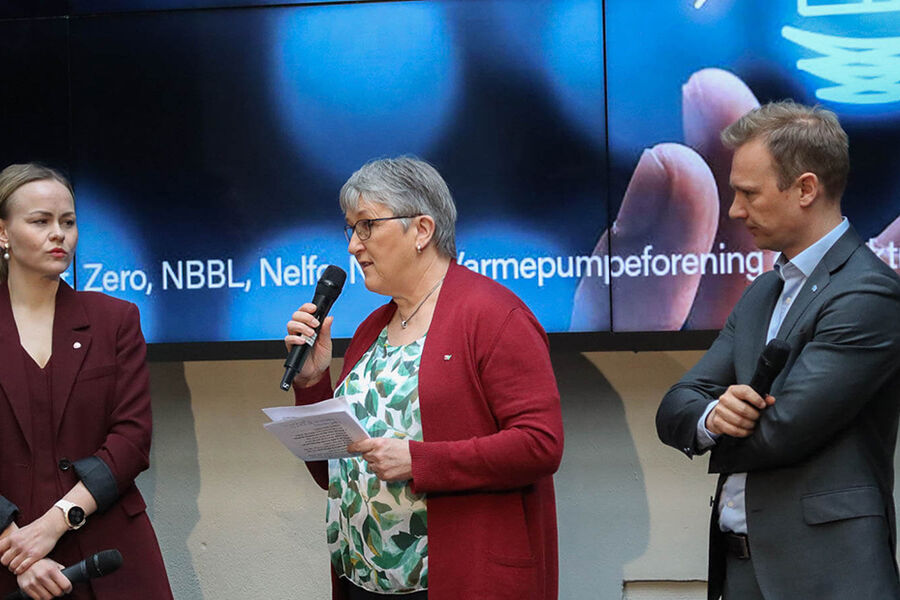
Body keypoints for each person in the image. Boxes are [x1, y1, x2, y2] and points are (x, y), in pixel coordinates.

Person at [285, 157, 564, 600]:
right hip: (362, 581)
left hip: (457, 583)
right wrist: (312, 382)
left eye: (367, 226)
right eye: (350, 229)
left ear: (422, 230)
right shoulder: (372, 329)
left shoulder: (494, 315)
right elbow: (332, 472)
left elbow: (540, 445)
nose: (353, 246)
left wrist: (421, 461)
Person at [656, 101, 900, 599]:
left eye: (749, 193)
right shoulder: (764, 290)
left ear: (806, 189)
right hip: (740, 567)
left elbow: (783, 432)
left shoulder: (868, 292)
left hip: (827, 575)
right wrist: (713, 416)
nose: (735, 210)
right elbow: (676, 404)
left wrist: (712, 426)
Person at [0, 164, 172, 600]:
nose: (58, 234)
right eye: (40, 221)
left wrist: (54, 523)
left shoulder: (115, 319)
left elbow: (132, 439)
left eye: (68, 222)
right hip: (10, 562)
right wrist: (18, 548)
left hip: (110, 554)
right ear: (3, 233)